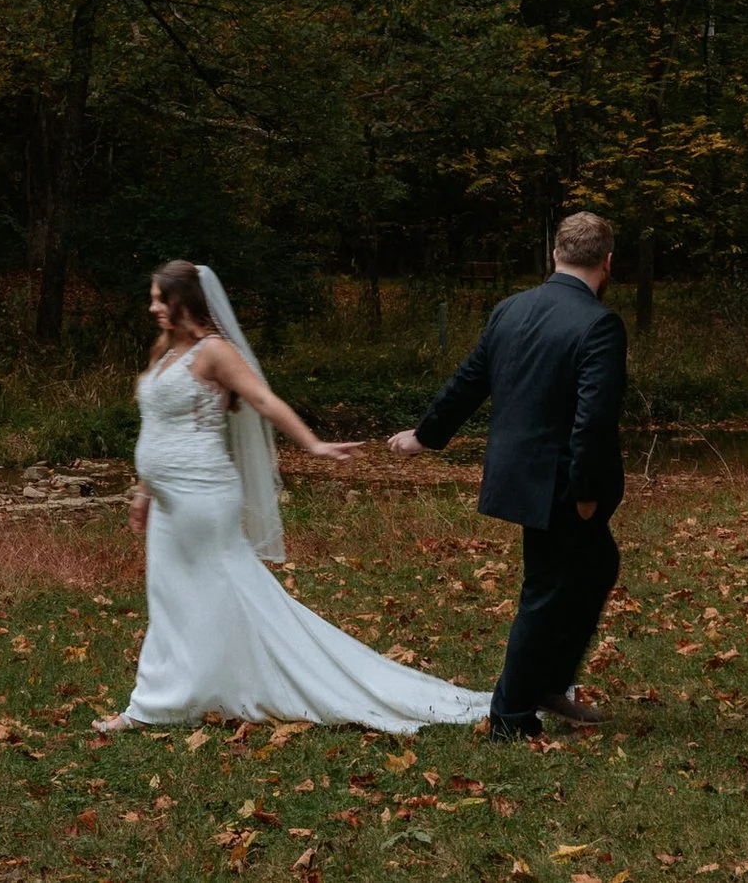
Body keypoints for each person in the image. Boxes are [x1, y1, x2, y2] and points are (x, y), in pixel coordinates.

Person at [97, 260, 489, 734]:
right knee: (173, 594)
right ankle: (178, 693)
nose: (153, 305)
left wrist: (313, 443)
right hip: (167, 499)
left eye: (162, 297)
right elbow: (158, 426)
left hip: (202, 493)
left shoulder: (213, 351)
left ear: (186, 301)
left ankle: (155, 704)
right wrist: (143, 491)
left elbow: (263, 400)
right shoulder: (166, 350)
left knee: (214, 591)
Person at [388, 212, 627, 740]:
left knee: (595, 566)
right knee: (546, 589)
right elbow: (593, 420)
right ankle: (512, 717)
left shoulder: (510, 309)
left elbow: (468, 382)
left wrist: (424, 436)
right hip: (565, 487)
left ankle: (547, 684)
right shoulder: (599, 324)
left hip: (522, 479)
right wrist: (586, 495)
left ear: (555, 255)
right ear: (608, 262)